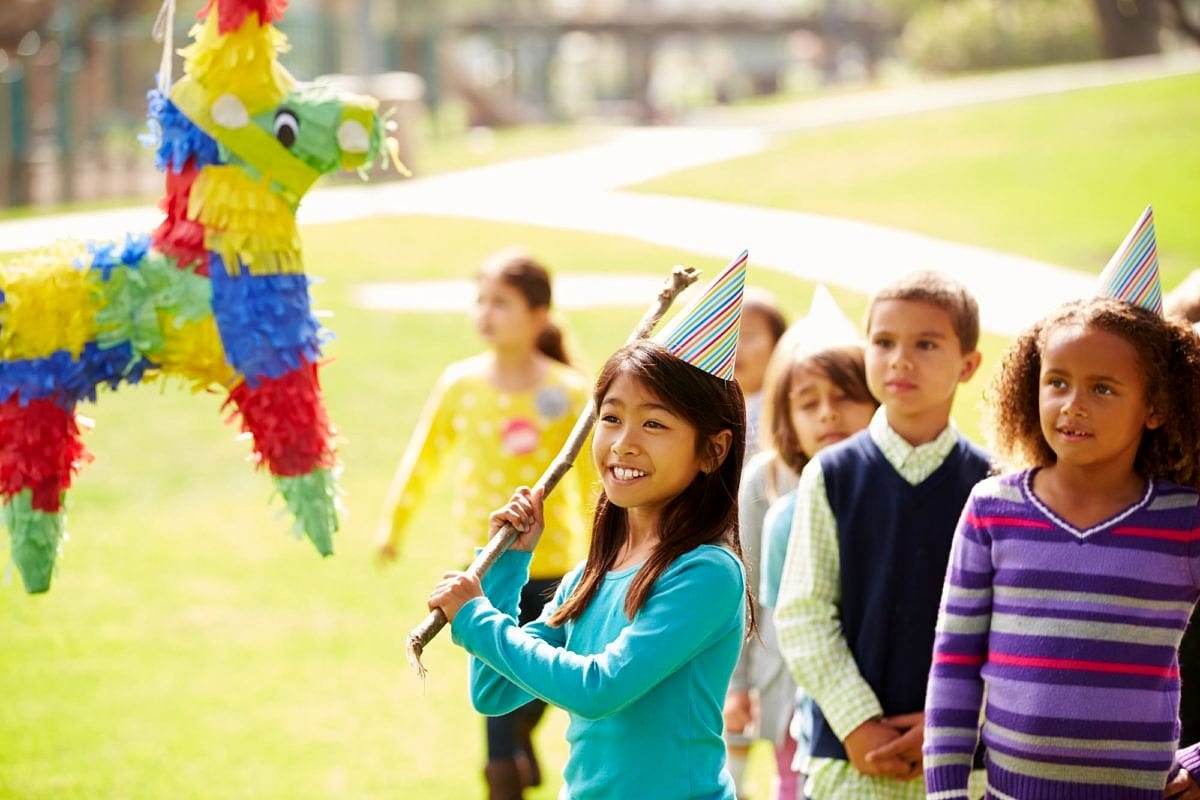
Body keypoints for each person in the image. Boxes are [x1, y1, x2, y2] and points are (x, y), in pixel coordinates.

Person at [425, 255, 754, 799]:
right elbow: (493, 692)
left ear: (712, 451)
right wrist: (507, 569)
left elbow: (598, 688)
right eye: (611, 416)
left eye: (654, 423)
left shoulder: (707, 573)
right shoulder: (593, 572)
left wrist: (477, 617)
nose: (624, 441)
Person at [923, 295, 1200, 798]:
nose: (1073, 404)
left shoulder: (1186, 521)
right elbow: (954, 663)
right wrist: (945, 792)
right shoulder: (991, 509)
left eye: (1102, 387)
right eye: (1057, 382)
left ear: (1155, 407)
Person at [376, 248, 595, 798]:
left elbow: (595, 481)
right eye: (481, 301)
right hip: (480, 570)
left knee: (542, 675)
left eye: (501, 302)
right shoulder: (460, 384)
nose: (486, 313)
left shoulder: (569, 392)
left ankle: (518, 748)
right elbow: (423, 456)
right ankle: (505, 774)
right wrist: (392, 525)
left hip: (555, 565)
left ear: (539, 314)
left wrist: (603, 550)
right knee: (494, 681)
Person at [774, 270, 990, 799]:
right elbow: (802, 614)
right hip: (851, 762)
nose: (900, 359)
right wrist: (857, 722)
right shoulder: (831, 475)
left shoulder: (994, 483)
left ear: (968, 364)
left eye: (926, 343)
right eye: (884, 342)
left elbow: (1009, 627)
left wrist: (953, 723)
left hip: (967, 762)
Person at [724, 287, 877, 800]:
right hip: (787, 684)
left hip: (877, 686)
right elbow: (743, 589)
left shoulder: (890, 488)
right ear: (785, 415)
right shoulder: (765, 485)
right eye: (808, 402)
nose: (827, 415)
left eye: (845, 397)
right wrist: (738, 682)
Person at [734, 289, 788, 462]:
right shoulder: (714, 404)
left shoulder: (782, 408)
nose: (736, 348)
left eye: (748, 336)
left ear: (778, 343)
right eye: (729, 338)